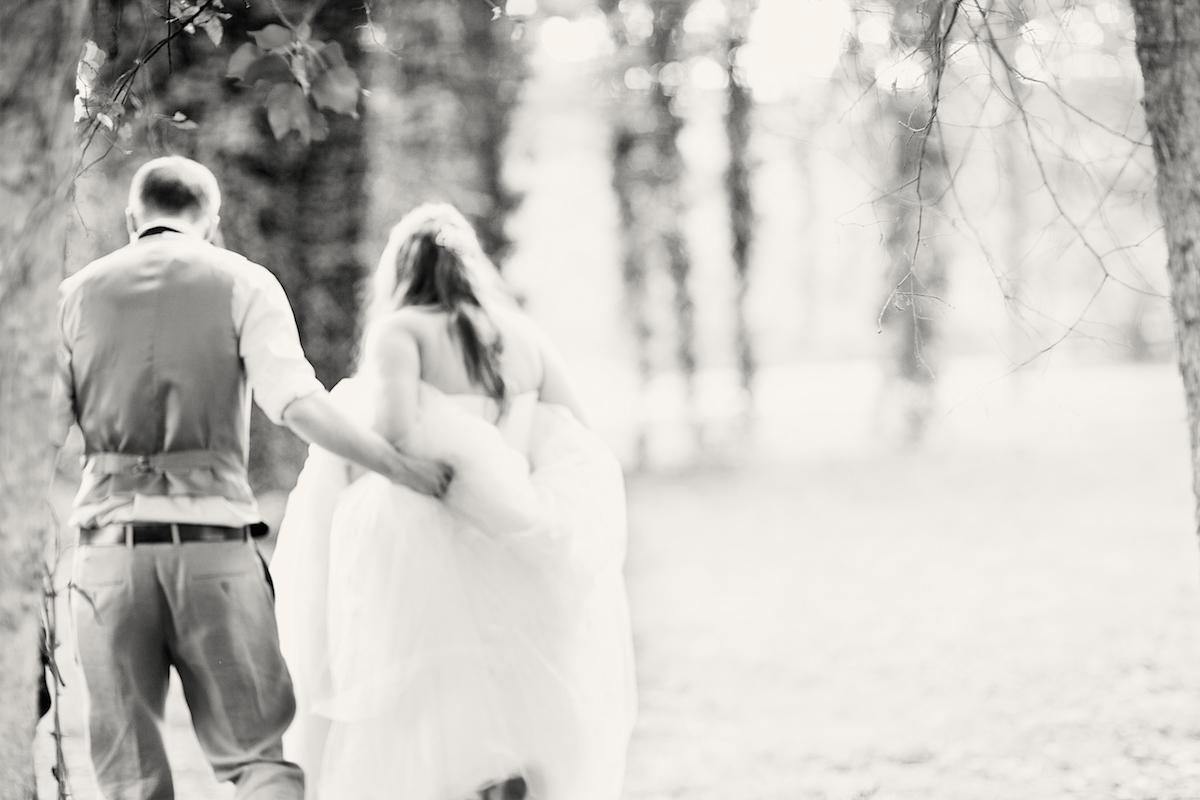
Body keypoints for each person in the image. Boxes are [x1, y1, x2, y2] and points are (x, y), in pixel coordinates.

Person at [51, 156, 452, 800]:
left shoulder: (73, 296)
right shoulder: (244, 282)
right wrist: (398, 465)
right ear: (211, 220)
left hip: (108, 568)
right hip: (214, 560)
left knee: (128, 780)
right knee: (258, 761)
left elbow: (40, 435)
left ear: (132, 218)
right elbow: (295, 402)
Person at [271, 203, 637, 800]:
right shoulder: (523, 338)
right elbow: (577, 432)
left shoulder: (402, 331)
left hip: (421, 538)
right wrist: (513, 486)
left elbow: (393, 431)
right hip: (514, 541)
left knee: (429, 695)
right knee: (515, 684)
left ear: (402, 269)